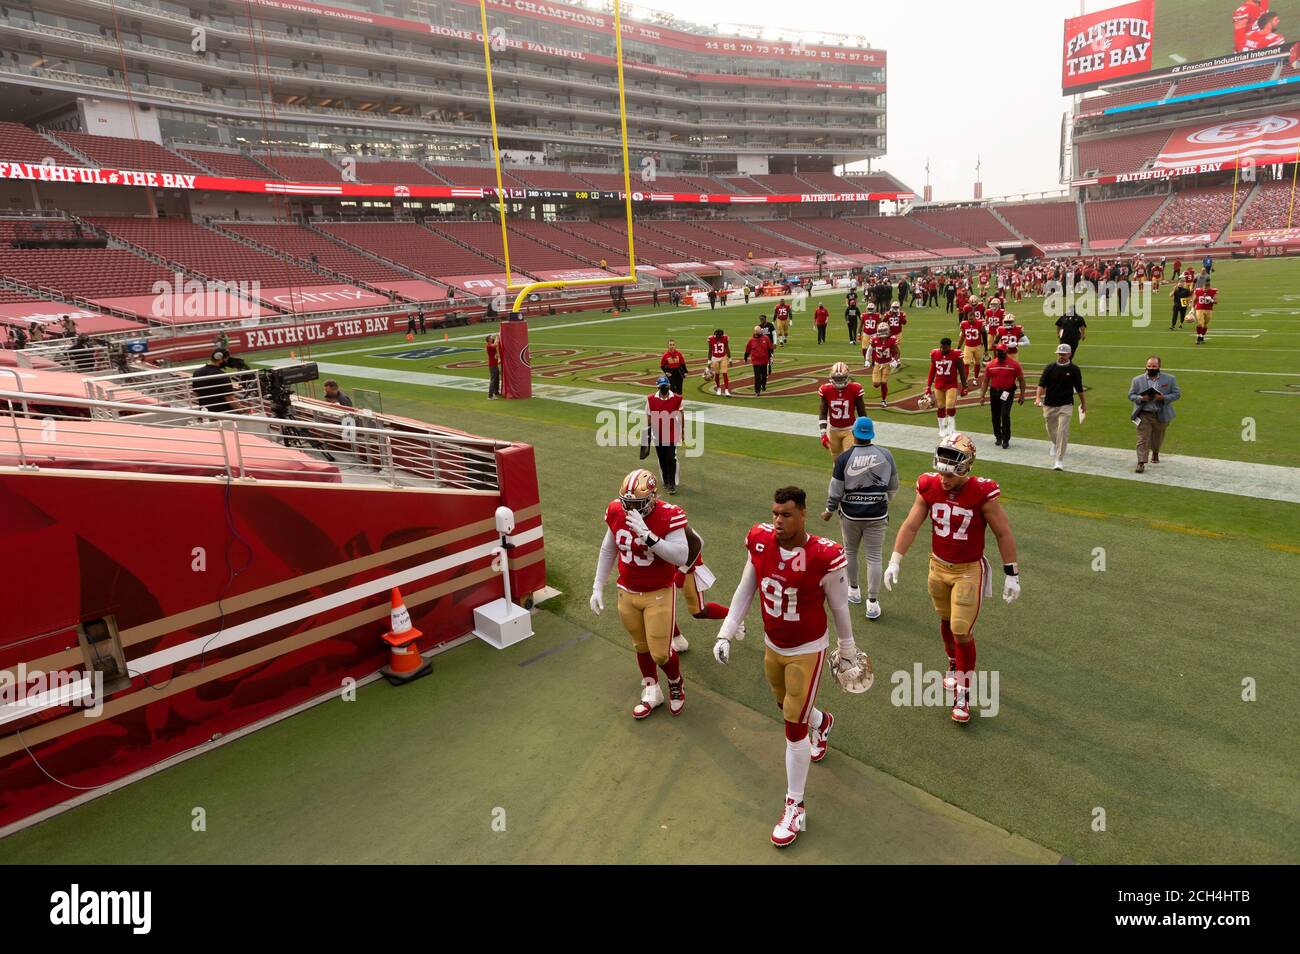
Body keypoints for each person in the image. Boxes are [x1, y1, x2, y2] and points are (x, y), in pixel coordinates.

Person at [712, 486, 873, 846]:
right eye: (774, 513)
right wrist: (725, 632)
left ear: (803, 514)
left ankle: (794, 806)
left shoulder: (824, 554)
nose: (778, 520)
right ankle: (823, 721)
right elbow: (745, 588)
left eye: (786, 514)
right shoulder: (760, 541)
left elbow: (839, 606)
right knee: (785, 707)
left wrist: (847, 646)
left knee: (792, 726)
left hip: (807, 649)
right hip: (773, 644)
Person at [883, 433, 1021, 724]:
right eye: (941, 470)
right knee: (945, 621)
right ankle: (953, 663)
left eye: (951, 472)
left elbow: (1003, 532)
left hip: (968, 569)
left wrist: (1012, 574)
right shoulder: (929, 484)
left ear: (967, 467)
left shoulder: (983, 492)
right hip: (937, 566)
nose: (944, 478)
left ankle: (963, 693)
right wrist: (895, 559)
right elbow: (911, 524)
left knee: (961, 630)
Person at [591, 470, 690, 718]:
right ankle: (651, 689)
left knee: (660, 652)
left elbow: (681, 555)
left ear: (653, 497)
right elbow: (608, 548)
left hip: (658, 591)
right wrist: (597, 586)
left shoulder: (669, 514)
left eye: (637, 503)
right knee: (640, 645)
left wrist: (650, 537)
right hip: (627, 590)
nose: (631, 509)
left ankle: (675, 682)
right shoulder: (616, 510)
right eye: (628, 503)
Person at [823, 416, 898, 620]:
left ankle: (854, 591)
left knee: (850, 552)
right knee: (874, 557)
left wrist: (829, 509)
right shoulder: (886, 454)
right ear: (871, 433)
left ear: (854, 433)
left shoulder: (844, 458)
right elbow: (893, 486)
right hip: (878, 514)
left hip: (850, 515)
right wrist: (882, 499)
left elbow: (835, 489)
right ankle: (872, 603)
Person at [1035, 343, 1086, 471]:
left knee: (1062, 431)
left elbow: (1079, 388)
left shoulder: (1074, 369)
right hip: (1049, 404)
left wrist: (1083, 403)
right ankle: (1055, 443)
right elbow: (1041, 384)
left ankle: (1059, 460)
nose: (1061, 356)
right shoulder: (1050, 368)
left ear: (1070, 354)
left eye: (1064, 354)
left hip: (1066, 404)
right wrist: (1037, 398)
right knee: (1050, 429)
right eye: (1059, 354)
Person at [1128, 356, 1181, 474]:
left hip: (1161, 413)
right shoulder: (1137, 380)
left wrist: (1163, 398)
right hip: (1143, 414)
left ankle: (1155, 452)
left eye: (1154, 366)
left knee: (1158, 437)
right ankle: (1141, 462)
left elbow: (1177, 394)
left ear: (1159, 367)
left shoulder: (1170, 379)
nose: (1151, 368)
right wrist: (1140, 398)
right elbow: (1131, 395)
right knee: (1142, 438)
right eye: (1149, 366)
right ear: (1146, 366)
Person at [980, 346, 1026, 449]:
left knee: (1004, 414)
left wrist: (1022, 395)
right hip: (994, 391)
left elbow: (1021, 380)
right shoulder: (991, 365)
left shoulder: (1014, 365)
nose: (999, 353)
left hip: (1007, 392)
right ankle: (998, 436)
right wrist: (982, 395)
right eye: (998, 352)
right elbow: (986, 381)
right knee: (995, 415)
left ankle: (1006, 438)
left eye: (1001, 352)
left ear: (1006, 352)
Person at [819, 362, 867, 456]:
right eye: (836, 378)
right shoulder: (826, 390)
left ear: (847, 376)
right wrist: (823, 433)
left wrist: (864, 430)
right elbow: (823, 413)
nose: (839, 381)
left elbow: (862, 413)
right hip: (833, 430)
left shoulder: (855, 389)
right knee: (836, 459)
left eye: (841, 378)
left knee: (848, 457)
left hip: (850, 429)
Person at [646, 376, 683, 492]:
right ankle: (666, 481)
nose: (664, 388)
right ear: (658, 387)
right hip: (657, 433)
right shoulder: (650, 399)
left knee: (671, 458)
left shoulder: (677, 398)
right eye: (662, 387)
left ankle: (671, 484)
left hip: (672, 432)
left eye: (665, 386)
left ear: (669, 386)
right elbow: (649, 415)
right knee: (662, 458)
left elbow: (681, 415)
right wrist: (648, 431)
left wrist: (683, 430)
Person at [925, 337, 969, 437]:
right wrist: (928, 386)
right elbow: (932, 371)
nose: (942, 350)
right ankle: (941, 429)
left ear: (949, 347)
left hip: (951, 384)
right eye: (941, 347)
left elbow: (962, 371)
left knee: (950, 407)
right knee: (940, 407)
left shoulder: (956, 355)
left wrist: (964, 386)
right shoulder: (935, 354)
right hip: (939, 384)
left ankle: (951, 428)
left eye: (944, 348)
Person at [192, 349, 237, 414]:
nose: (226, 362)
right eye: (226, 359)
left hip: (205, 412)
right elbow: (230, 399)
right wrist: (242, 410)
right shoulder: (222, 375)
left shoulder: (197, 372)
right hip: (224, 413)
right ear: (220, 358)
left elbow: (196, 393)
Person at [867, 322, 899, 407]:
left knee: (884, 383)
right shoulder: (874, 339)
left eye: (884, 331)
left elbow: (897, 352)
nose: (882, 334)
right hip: (877, 364)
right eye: (880, 331)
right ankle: (880, 381)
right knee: (876, 384)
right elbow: (869, 350)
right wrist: (867, 360)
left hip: (887, 364)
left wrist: (896, 360)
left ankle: (883, 400)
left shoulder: (892, 339)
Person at [743, 325, 773, 396]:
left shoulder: (766, 338)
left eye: (760, 331)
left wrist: (770, 357)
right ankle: (757, 391)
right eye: (758, 332)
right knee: (757, 377)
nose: (759, 333)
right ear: (755, 332)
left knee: (764, 375)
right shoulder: (751, 340)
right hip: (756, 361)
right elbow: (747, 350)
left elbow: (769, 349)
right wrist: (745, 358)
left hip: (764, 360)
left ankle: (763, 384)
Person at [706, 328, 731, 396]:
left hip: (723, 357)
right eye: (717, 336)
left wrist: (730, 358)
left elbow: (727, 348)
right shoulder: (711, 339)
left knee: (724, 373)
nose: (718, 337)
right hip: (714, 358)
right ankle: (719, 388)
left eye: (720, 336)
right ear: (715, 335)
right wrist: (709, 361)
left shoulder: (725, 338)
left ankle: (726, 390)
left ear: (722, 335)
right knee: (717, 374)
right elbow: (710, 350)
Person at [1192, 280, 1218, 344]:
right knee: (1201, 323)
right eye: (1204, 288)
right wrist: (1192, 308)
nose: (1205, 289)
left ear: (1209, 287)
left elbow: (1216, 301)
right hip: (1199, 309)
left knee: (1205, 324)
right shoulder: (1198, 291)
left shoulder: (1213, 291)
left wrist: (1211, 300)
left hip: (1209, 310)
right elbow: (1194, 300)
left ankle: (1202, 336)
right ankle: (1199, 337)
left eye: (1206, 288)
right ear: (1202, 287)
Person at [485, 333, 501, 399]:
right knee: (493, 379)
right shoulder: (489, 345)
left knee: (497, 378)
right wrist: (498, 336)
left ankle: (496, 392)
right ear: (489, 339)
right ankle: (490, 396)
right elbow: (495, 344)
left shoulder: (490, 345)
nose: (493, 338)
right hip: (492, 365)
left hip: (495, 364)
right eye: (491, 337)